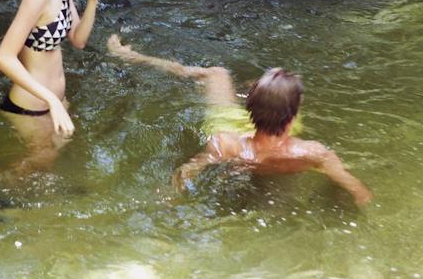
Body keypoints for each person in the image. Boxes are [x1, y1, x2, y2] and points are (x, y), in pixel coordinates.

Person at [106, 34, 371, 206]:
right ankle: (267, 88)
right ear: (291, 121)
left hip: (233, 128)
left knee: (217, 73)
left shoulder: (226, 145)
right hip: (273, 131)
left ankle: (131, 56)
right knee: (286, 84)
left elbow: (185, 174)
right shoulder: (313, 153)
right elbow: (359, 191)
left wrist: (166, 199)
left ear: (248, 108)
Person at [0, 0, 108, 171]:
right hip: (31, 105)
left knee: (53, 156)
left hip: (52, 102)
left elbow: (78, 40)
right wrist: (52, 100)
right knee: (40, 161)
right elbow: (4, 57)